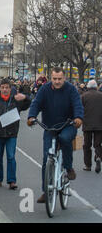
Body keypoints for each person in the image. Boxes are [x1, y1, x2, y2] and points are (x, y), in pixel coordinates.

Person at [27, 67, 84, 203]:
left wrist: (78, 118)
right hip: (50, 127)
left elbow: (77, 104)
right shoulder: (44, 89)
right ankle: (46, 191)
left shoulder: (71, 89)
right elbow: (36, 103)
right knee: (46, 158)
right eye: (54, 79)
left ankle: (68, 167)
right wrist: (31, 116)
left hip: (68, 125)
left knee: (64, 138)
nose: (57, 81)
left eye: (60, 79)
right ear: (51, 78)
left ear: (64, 78)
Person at [0, 78, 31, 189]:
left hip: (12, 133)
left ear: (10, 89)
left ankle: (11, 181)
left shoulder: (15, 100)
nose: (5, 90)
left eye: (7, 88)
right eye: (3, 87)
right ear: (0, 88)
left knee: (11, 157)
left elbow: (27, 104)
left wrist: (25, 97)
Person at [80, 80, 102, 173]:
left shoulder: (83, 96)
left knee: (87, 145)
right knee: (98, 144)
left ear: (88, 87)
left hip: (87, 124)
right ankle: (98, 156)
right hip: (100, 124)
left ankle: (88, 165)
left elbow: (80, 109)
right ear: (96, 87)